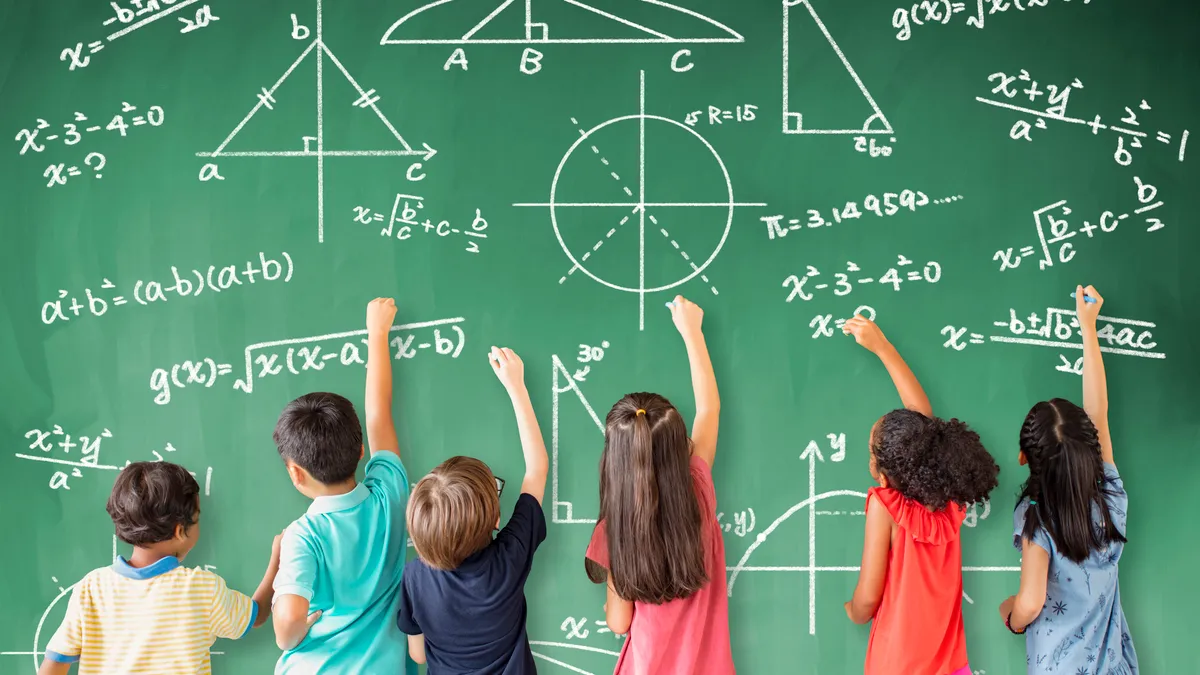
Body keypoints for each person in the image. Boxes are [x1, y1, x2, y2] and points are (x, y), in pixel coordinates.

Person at [584, 295, 735, 675]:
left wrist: (611, 604)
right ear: (677, 448)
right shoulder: (698, 492)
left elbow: (619, 623)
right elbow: (709, 409)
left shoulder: (616, 530)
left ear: (616, 460)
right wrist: (692, 332)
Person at [842, 316, 1000, 675]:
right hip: (951, 664)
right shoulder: (949, 499)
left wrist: (853, 609)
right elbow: (924, 423)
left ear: (884, 472)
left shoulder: (886, 506)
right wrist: (882, 347)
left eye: (870, 452)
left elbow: (867, 599)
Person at [999, 285, 1138, 674]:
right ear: (1090, 451)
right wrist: (1087, 328)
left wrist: (1011, 614)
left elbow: (1030, 601)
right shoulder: (1111, 498)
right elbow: (1099, 412)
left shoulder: (1036, 518)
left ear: (1024, 458)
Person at [271, 297, 414, 674]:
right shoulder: (390, 493)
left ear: (295, 473)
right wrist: (377, 332)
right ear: (362, 448)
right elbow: (379, 411)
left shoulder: (302, 537)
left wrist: (298, 630)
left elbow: (287, 627)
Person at [39, 461, 278, 675]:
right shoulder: (201, 589)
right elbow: (257, 614)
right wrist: (277, 560)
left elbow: (55, 663)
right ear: (179, 530)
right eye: (197, 518)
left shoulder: (91, 588)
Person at [396, 345, 550, 674]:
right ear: (496, 520)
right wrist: (517, 387)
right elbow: (536, 469)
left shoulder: (415, 577)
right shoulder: (509, 558)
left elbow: (419, 654)